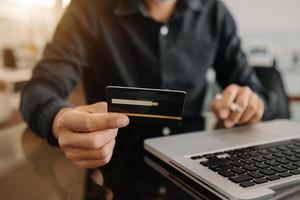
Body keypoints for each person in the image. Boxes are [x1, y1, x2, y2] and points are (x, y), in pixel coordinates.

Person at [20, 0, 276, 169]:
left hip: (197, 168)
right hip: (112, 168)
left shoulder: (215, 13)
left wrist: (252, 104)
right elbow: (41, 88)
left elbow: (256, 92)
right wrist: (58, 119)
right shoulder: (88, 8)